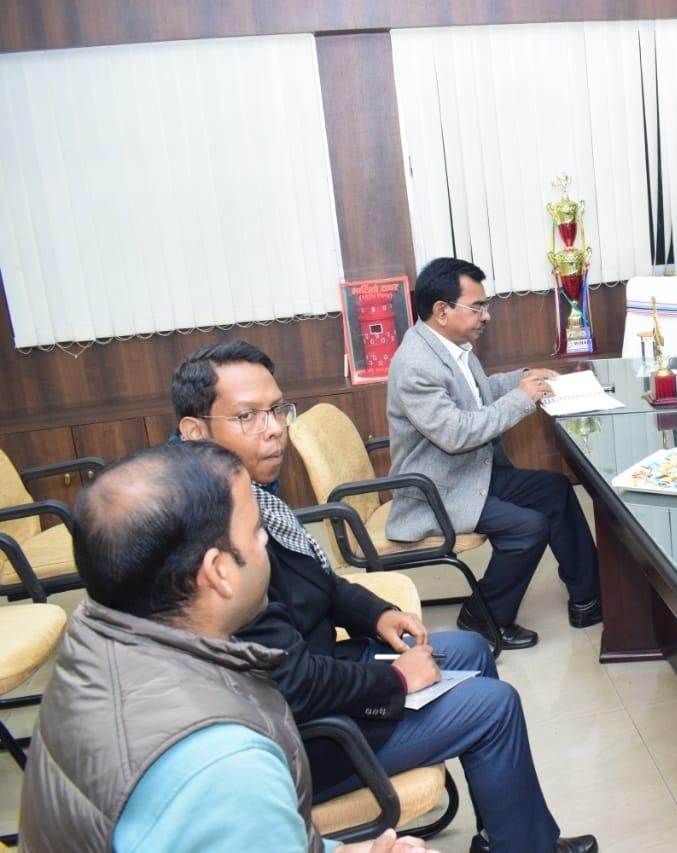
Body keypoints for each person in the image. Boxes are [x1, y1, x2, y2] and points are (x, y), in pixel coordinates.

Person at [172, 341, 596, 853]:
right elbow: (290, 683)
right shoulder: (212, 535)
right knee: (493, 707)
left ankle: (507, 838)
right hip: (306, 737)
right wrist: (394, 680)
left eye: (277, 410)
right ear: (194, 430)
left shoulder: (241, 491)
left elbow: (317, 583)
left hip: (323, 680)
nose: (273, 428)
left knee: (470, 649)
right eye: (247, 416)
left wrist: (377, 615)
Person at [18, 441, 431, 853]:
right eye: (255, 532)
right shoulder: (224, 761)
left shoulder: (91, 648)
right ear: (219, 573)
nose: (267, 538)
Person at [384, 257, 602, 650]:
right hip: (438, 490)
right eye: (477, 307)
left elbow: (476, 391)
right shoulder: (416, 365)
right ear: (442, 311)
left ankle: (589, 599)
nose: (486, 316)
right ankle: (483, 617)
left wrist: (523, 378)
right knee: (527, 528)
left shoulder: (449, 344)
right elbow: (456, 433)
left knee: (555, 490)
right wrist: (521, 399)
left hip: (468, 474)